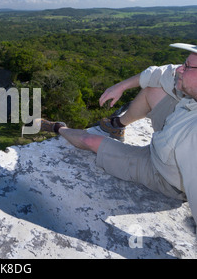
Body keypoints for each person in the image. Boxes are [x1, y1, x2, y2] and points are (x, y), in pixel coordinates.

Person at [36, 43, 197, 226]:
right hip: (176, 126)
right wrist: (121, 86)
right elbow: (159, 74)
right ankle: (117, 125)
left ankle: (58, 128)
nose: (180, 69)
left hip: (164, 173)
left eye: (187, 66)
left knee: (90, 139)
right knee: (153, 88)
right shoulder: (190, 92)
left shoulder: (193, 138)